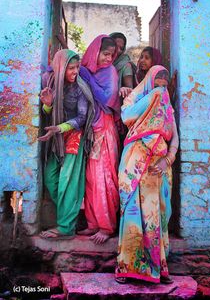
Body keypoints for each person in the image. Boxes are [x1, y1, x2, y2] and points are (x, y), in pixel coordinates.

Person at [115, 65, 179, 284]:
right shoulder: (138, 101)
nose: (161, 90)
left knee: (156, 218)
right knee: (133, 216)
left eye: (164, 85)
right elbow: (126, 116)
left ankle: (158, 266)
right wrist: (153, 96)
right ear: (150, 82)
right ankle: (127, 267)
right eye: (157, 85)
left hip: (157, 169)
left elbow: (174, 139)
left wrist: (167, 160)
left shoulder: (166, 105)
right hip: (134, 164)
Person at [39, 49, 95, 240]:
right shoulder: (52, 83)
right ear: (60, 67)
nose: (75, 72)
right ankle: (71, 216)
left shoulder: (80, 87)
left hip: (74, 136)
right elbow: (48, 112)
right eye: (71, 68)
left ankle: (65, 228)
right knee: (51, 178)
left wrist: (61, 128)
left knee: (67, 182)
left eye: (77, 67)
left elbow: (82, 117)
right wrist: (48, 104)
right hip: (57, 138)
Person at [77, 35, 120, 244]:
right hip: (90, 129)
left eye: (112, 55)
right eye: (105, 54)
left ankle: (107, 225)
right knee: (91, 177)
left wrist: (88, 78)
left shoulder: (110, 73)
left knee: (104, 176)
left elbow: (106, 99)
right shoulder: (87, 71)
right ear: (95, 52)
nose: (108, 59)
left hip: (104, 128)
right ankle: (92, 223)